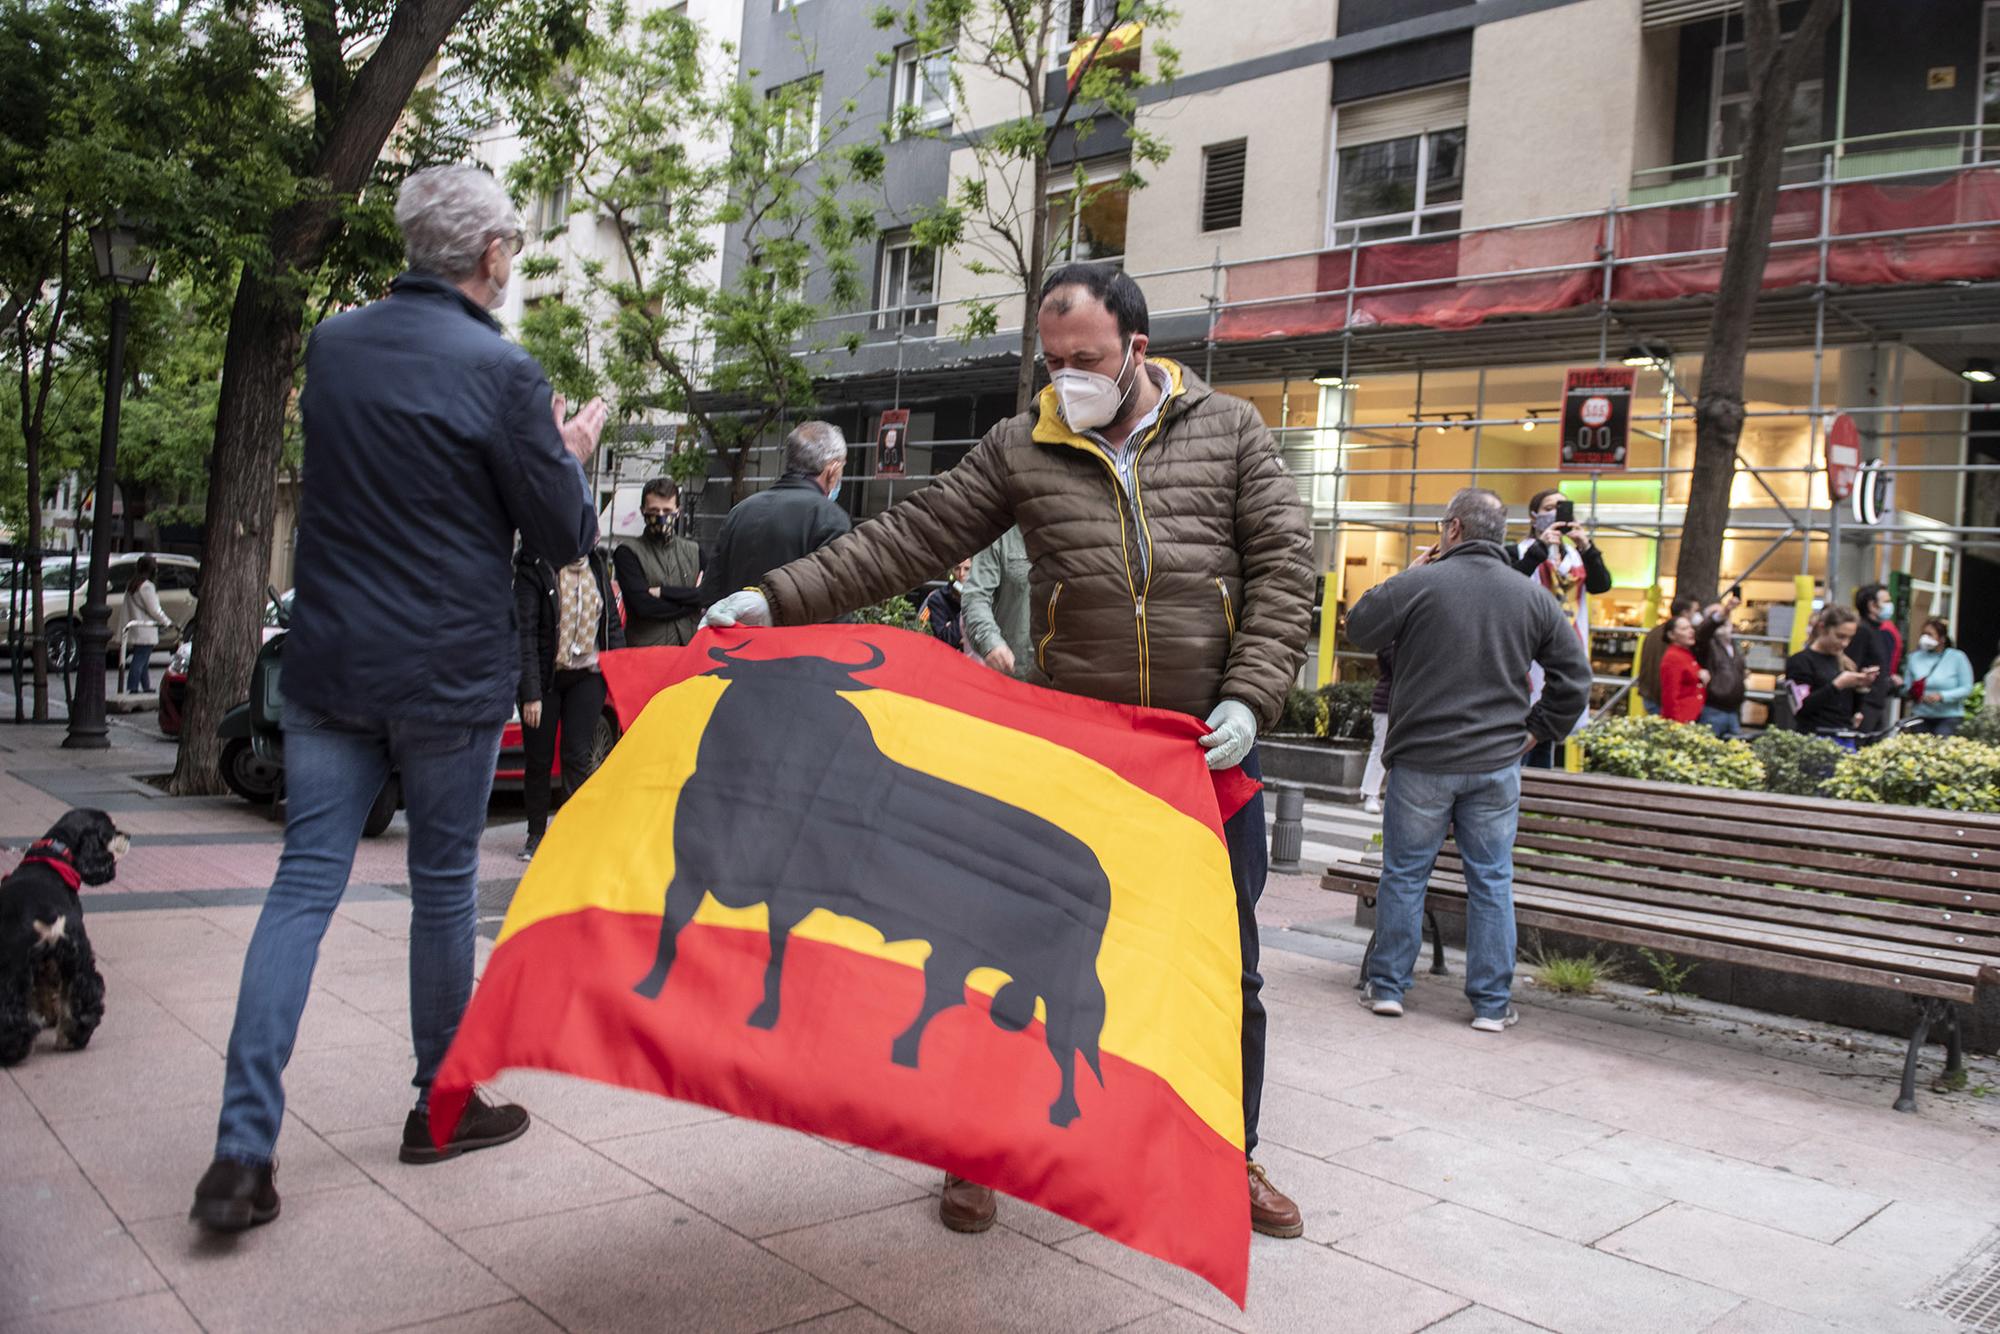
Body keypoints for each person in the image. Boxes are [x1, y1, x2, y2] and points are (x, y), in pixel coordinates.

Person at [702, 262, 1315, 1239]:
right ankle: (978, 1146)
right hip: (1077, 760)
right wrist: (776, 597)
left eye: (1087, 359)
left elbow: (1286, 568)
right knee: (997, 951)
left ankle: (1226, 1154)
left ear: (1138, 350)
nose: (1067, 376)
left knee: (1220, 974)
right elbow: (908, 538)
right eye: (1052, 359)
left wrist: (1250, 694)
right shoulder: (1021, 444)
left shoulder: (1230, 430)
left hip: (1204, 760)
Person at [191, 165, 605, 1233]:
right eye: (511, 249)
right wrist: (570, 455)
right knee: (443, 889)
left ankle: (240, 1153)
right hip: (446, 672)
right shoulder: (504, 372)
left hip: (333, 660)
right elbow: (563, 534)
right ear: (489, 256)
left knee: (302, 888)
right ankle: (441, 1105)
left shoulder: (335, 346)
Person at [1345, 487, 1592, 1034]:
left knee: (1405, 874)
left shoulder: (1420, 583)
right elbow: (1575, 678)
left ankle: (1387, 987)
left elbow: (1359, 626)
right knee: (1491, 880)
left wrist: (1407, 574)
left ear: (1453, 528)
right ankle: (1491, 1003)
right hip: (1496, 761)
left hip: (1422, 758)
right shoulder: (1531, 598)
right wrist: (1537, 730)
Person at [515, 545, 625, 860]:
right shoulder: (537, 565)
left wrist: (619, 672)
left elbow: (611, 625)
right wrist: (530, 693)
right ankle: (536, 834)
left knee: (577, 756)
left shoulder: (597, 564)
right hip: (546, 677)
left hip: (588, 675)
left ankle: (572, 833)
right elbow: (525, 634)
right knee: (539, 759)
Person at [702, 422, 851, 605]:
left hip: (735, 622)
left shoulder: (740, 511)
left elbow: (709, 593)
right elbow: (835, 603)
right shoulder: (831, 518)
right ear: (833, 469)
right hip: (795, 624)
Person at [1513, 489, 1611, 766]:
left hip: (1565, 646)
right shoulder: (1519, 551)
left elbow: (1601, 584)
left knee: (1546, 733)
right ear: (1534, 517)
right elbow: (1511, 580)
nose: (1556, 512)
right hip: (1528, 651)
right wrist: (1539, 549)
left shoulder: (1577, 558)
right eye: (1548, 507)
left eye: (1561, 507)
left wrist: (1586, 547)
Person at [614, 478, 703, 647]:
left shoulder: (695, 551)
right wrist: (692, 601)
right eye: (654, 510)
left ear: (678, 511)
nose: (661, 516)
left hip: (689, 650)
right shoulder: (627, 552)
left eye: (667, 510)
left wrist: (663, 592)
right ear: (643, 511)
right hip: (646, 652)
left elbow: (710, 594)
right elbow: (644, 606)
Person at [1785, 605, 1877, 735]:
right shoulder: (1801, 661)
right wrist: (1837, 685)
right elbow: (1800, 708)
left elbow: (1849, 711)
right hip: (1814, 737)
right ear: (1822, 628)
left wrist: (1862, 686)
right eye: (1840, 636)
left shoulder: (1845, 662)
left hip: (1844, 736)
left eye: (1850, 638)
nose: (1845, 643)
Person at [961, 526, 1030, 674]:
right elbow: (976, 596)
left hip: (1068, 673)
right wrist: (991, 642)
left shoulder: (1077, 531)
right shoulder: (1002, 534)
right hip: (1015, 670)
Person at [1903, 617, 1974, 736]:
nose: (1925, 638)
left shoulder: (1957, 657)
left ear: (1942, 639)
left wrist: (1942, 696)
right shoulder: (1914, 658)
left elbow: (1967, 688)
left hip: (1949, 716)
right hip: (1920, 715)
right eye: (1923, 634)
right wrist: (1913, 693)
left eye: (1930, 634)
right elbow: (1907, 687)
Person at [1635, 595, 1701, 716]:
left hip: (1650, 694)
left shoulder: (1654, 632)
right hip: (1665, 700)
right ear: (1685, 612)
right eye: (1695, 611)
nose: (1698, 615)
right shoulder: (1678, 639)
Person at [1692, 593, 1746, 737]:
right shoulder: (1706, 645)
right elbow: (1702, 633)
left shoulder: (1734, 646)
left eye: (1725, 617)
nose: (1723, 620)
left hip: (1733, 711)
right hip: (1713, 711)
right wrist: (1722, 613)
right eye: (1717, 616)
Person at [1850, 583, 1901, 732]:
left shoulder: (1877, 630)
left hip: (1876, 703)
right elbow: (1852, 665)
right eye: (1886, 601)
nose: (1890, 605)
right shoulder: (1862, 631)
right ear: (1872, 605)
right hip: (1864, 705)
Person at [121, 556, 172, 694]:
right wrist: (167, 622)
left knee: (142, 658)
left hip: (137, 627)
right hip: (145, 628)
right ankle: (133, 687)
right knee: (140, 659)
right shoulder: (147, 586)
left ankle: (145, 686)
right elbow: (154, 609)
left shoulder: (133, 584)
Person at [1360, 646, 1393, 816]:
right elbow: (1399, 663)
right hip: (1386, 702)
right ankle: (1370, 794)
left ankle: (1375, 794)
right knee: (1380, 747)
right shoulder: (1390, 640)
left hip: (1403, 702)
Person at [1657, 615, 1708, 724]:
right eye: (1684, 629)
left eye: (1690, 627)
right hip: (1683, 718)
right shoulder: (1673, 657)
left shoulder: (1685, 653)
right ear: (1671, 635)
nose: (1691, 631)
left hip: (1693, 715)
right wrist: (1674, 724)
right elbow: (1670, 695)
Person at [918, 558, 971, 650]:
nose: (961, 574)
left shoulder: (983, 598)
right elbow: (945, 639)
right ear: (951, 572)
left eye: (967, 569)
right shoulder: (938, 598)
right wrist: (968, 606)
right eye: (957, 569)